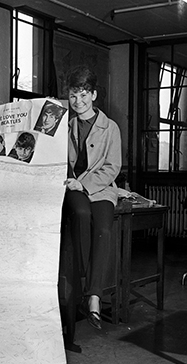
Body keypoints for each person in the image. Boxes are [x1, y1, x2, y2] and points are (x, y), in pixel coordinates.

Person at [62, 66, 122, 335]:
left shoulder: (111, 128)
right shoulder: (64, 125)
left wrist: (84, 183)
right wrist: (72, 183)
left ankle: (94, 295)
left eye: (84, 94)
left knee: (104, 229)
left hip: (101, 189)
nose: (78, 101)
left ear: (94, 95)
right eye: (74, 95)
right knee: (82, 215)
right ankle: (86, 283)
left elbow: (112, 167)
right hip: (73, 187)